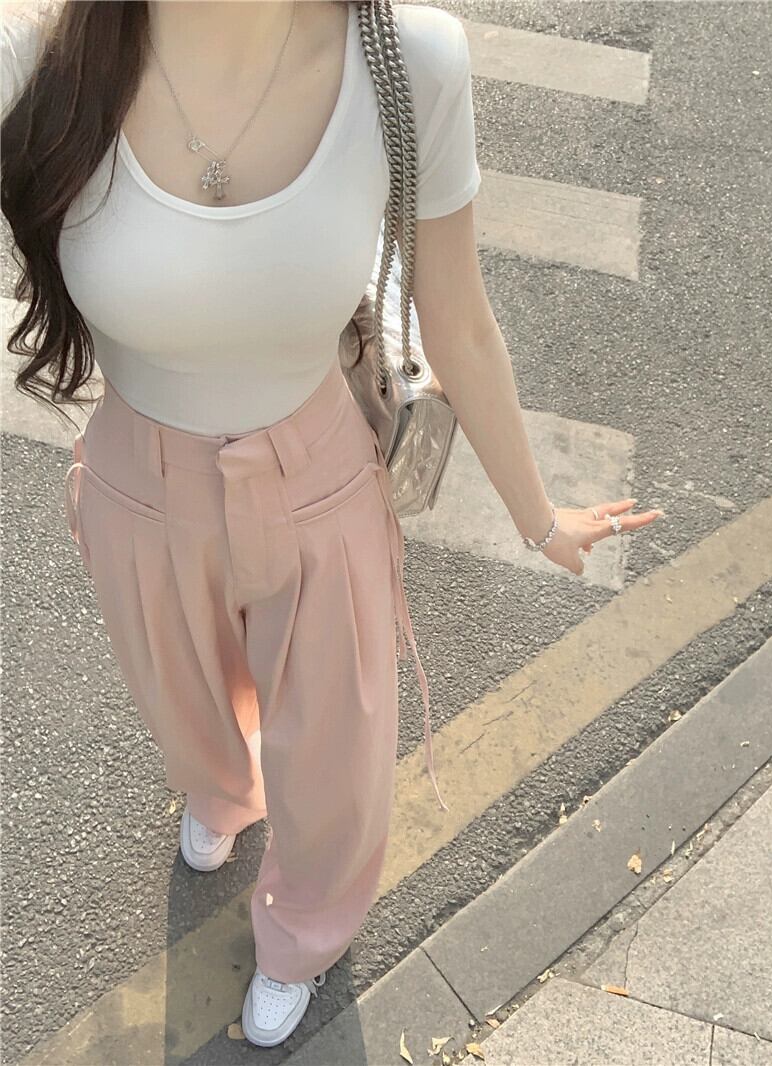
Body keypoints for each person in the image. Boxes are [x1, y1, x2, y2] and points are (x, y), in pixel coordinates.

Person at [0, 0, 664, 1049]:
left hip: (315, 477)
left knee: (334, 752)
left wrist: (538, 519)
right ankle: (221, 788)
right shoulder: (43, 50)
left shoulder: (408, 61)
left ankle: (303, 932)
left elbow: (459, 319)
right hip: (137, 479)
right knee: (181, 700)